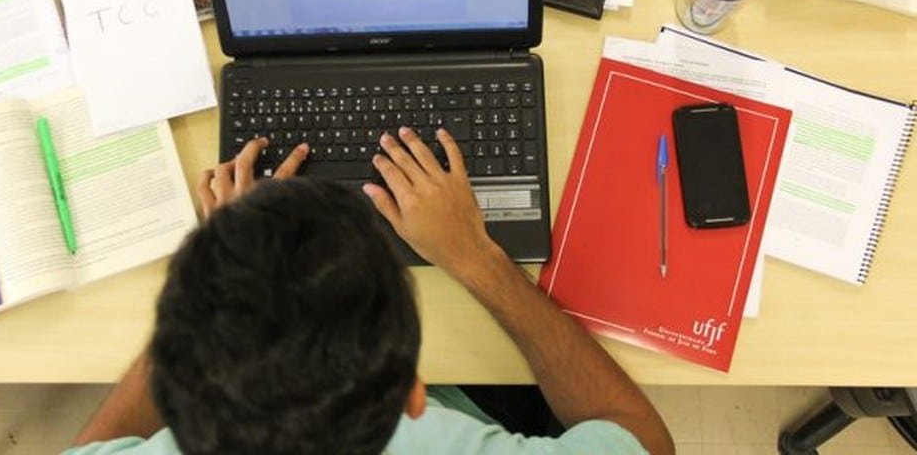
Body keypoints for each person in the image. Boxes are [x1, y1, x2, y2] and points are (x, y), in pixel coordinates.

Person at [63, 128, 675, 454]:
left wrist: (231, 262)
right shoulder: (439, 440)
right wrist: (477, 257)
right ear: (414, 394)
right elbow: (643, 437)